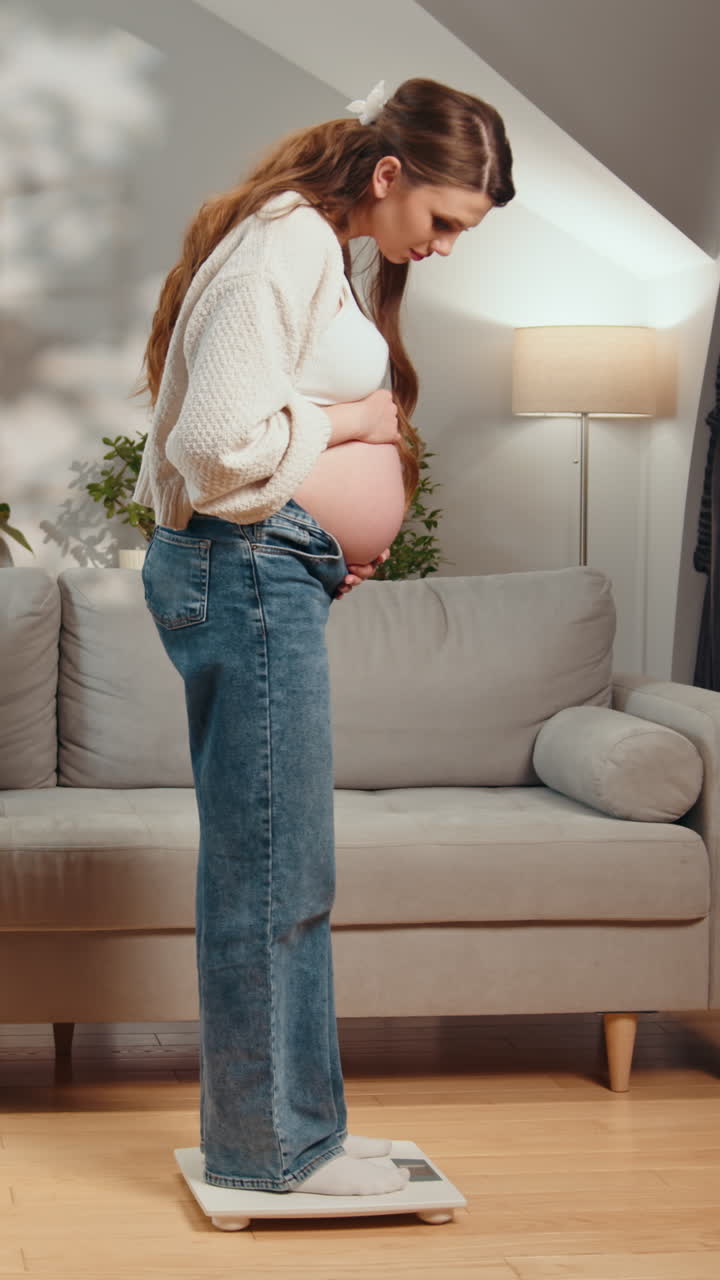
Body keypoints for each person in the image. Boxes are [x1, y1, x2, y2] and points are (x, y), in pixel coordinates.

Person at [130, 75, 515, 1198]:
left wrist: (322, 536)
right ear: (388, 174)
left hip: (266, 569)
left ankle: (303, 1135)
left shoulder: (318, 244)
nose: (443, 247)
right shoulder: (286, 243)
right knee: (272, 874)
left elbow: (256, 445)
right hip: (243, 571)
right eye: (442, 220)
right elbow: (212, 448)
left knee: (285, 868)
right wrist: (350, 426)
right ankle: (273, 1155)